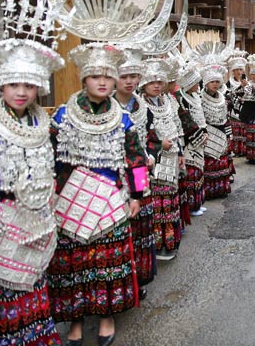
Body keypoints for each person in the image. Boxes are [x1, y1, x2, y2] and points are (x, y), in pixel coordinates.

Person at [0, 0, 63, 346]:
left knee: (35, 294)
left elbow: (54, 169)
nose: (21, 92)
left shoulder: (45, 125)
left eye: (29, 85)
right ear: (1, 84)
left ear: (39, 88)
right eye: (14, 84)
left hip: (37, 223)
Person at [48, 43, 148, 346]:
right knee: (74, 265)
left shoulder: (122, 118)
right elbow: (51, 159)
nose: (102, 82)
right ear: (84, 80)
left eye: (108, 75)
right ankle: (75, 321)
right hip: (70, 202)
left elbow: (137, 159)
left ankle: (107, 317)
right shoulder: (63, 115)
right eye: (95, 76)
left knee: (108, 264)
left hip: (111, 199)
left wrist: (137, 195)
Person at [112, 47, 157, 300]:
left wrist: (151, 154)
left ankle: (138, 279)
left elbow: (150, 139)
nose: (129, 81)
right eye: (123, 76)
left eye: (133, 76)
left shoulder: (142, 108)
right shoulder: (106, 107)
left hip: (139, 177)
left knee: (140, 229)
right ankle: (118, 286)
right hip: (112, 180)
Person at [139, 58, 184, 262]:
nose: (156, 85)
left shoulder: (167, 101)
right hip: (153, 164)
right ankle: (158, 245)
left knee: (171, 203)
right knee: (158, 206)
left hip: (172, 158)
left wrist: (180, 152)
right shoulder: (139, 106)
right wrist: (158, 147)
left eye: (159, 81)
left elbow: (176, 127)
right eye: (151, 82)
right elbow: (139, 139)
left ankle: (170, 242)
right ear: (143, 85)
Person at [176, 62, 207, 217]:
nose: (198, 85)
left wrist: (205, 131)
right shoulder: (181, 99)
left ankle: (198, 202)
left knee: (199, 171)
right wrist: (199, 135)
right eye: (195, 83)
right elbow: (186, 120)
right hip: (190, 141)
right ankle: (192, 205)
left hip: (199, 138)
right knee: (192, 173)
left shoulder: (195, 96)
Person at [201, 62, 233, 199]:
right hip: (208, 132)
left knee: (221, 160)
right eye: (212, 81)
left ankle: (221, 188)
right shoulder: (200, 98)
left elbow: (226, 117)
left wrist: (228, 134)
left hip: (221, 131)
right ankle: (209, 191)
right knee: (210, 162)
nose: (215, 84)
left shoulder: (222, 97)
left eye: (217, 82)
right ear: (206, 83)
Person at [225, 52, 248, 158]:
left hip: (244, 111)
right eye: (236, 70)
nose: (239, 72)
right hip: (233, 112)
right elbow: (228, 96)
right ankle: (236, 150)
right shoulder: (228, 84)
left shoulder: (247, 83)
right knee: (235, 132)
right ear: (233, 71)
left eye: (240, 69)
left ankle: (245, 149)